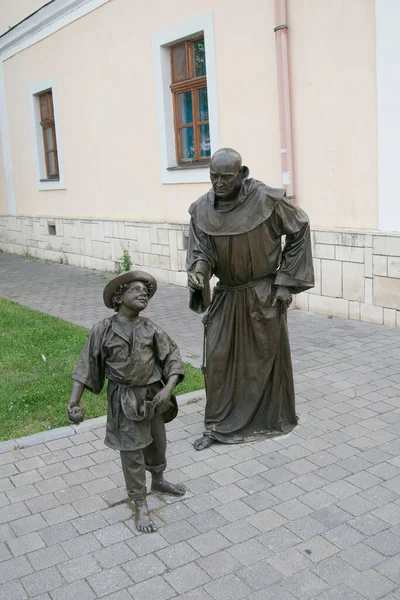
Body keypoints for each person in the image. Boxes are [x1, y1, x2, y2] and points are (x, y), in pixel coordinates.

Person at [187, 148, 314, 451]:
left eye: (225, 177)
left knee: (263, 361)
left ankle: (270, 419)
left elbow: (300, 227)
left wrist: (285, 283)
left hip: (263, 295)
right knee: (218, 359)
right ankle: (217, 426)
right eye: (213, 176)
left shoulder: (266, 199)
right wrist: (199, 273)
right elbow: (201, 253)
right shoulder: (202, 209)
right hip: (227, 295)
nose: (218, 183)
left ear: (240, 174)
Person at [66, 271, 185, 533]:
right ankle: (139, 502)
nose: (143, 294)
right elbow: (86, 366)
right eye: (136, 290)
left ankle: (159, 480)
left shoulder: (150, 328)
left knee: (157, 444)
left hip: (153, 396)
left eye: (146, 292)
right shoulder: (103, 329)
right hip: (124, 400)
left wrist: (169, 388)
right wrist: (74, 401)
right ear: (119, 297)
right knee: (132, 451)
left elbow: (172, 356)